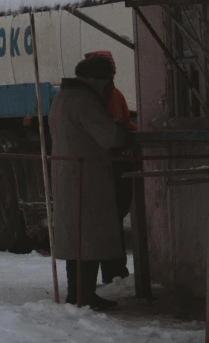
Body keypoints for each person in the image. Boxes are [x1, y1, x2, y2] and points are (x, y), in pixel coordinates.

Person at [49, 56, 125, 311]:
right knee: (88, 237)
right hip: (85, 177)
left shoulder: (62, 97)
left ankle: (79, 293)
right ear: (93, 80)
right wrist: (122, 130)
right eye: (105, 83)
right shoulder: (83, 100)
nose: (106, 89)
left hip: (69, 175)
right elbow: (108, 137)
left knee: (77, 239)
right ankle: (83, 295)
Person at [84, 51, 136, 284]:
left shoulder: (114, 95)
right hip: (104, 166)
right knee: (108, 220)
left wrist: (130, 131)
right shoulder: (89, 99)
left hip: (115, 164)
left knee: (114, 218)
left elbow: (126, 122)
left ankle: (114, 271)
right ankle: (113, 271)